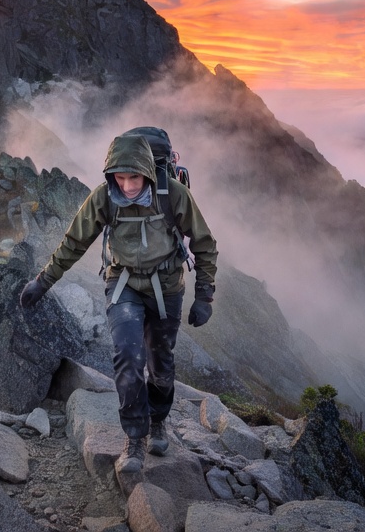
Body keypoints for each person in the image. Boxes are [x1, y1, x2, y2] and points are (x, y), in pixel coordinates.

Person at [19, 130, 218, 474]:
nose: (126, 185)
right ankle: (135, 439)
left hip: (166, 286)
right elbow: (73, 242)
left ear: (148, 172)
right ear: (110, 174)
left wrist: (204, 295)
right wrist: (43, 281)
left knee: (161, 363)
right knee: (128, 356)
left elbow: (204, 242)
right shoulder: (104, 197)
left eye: (134, 177)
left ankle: (158, 422)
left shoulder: (173, 195)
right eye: (120, 177)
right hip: (122, 283)